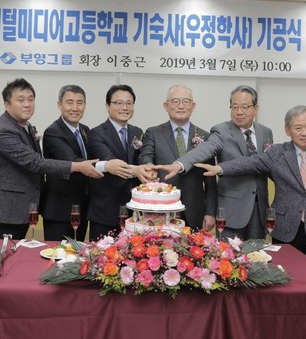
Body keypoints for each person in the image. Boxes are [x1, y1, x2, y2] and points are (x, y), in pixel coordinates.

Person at [184, 105, 306, 269]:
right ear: (287, 130)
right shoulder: (277, 153)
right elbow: (249, 163)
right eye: (298, 128)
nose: (304, 132)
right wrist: (219, 168)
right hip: (285, 227)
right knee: (285, 274)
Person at [0, 78, 102, 242]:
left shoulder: (25, 126)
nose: (27, 104)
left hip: (21, 208)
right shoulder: (4, 131)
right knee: (3, 255)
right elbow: (35, 162)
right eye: (20, 100)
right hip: (4, 209)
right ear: (7, 104)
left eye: (30, 99)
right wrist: (78, 166)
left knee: (16, 254)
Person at [154, 85, 273, 241]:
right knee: (227, 255)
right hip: (231, 211)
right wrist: (179, 164)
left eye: (245, 107)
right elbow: (205, 149)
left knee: (257, 253)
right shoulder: (221, 131)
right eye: (234, 107)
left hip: (259, 209)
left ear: (255, 108)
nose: (239, 112)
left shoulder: (266, 132)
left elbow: (267, 163)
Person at [138, 85, 217, 230]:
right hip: (161, 208)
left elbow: (210, 180)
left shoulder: (205, 137)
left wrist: (210, 212)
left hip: (194, 211)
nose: (181, 106)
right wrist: (149, 167)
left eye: (186, 101)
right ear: (166, 106)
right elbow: (145, 156)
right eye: (175, 101)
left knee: (196, 245)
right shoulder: (153, 133)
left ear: (193, 106)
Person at [87, 84, 155, 240]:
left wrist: (149, 169)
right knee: (101, 253)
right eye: (118, 103)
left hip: (133, 211)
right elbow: (113, 164)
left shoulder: (137, 132)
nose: (124, 107)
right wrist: (137, 170)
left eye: (129, 103)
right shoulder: (96, 133)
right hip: (105, 211)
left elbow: (142, 158)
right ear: (107, 106)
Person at [40, 85, 93, 242]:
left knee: (78, 253)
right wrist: (107, 166)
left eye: (80, 103)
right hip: (60, 209)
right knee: (58, 253)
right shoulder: (53, 131)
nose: (75, 108)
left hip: (82, 206)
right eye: (70, 102)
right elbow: (73, 161)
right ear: (59, 105)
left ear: (85, 105)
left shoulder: (85, 130)